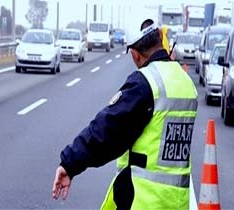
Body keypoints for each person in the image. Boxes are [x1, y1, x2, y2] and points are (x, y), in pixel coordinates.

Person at [52, 19, 198, 209]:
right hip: (177, 202)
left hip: (145, 201)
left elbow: (108, 129)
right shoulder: (185, 81)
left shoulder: (146, 82)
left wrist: (70, 164)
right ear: (159, 40)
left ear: (136, 54)